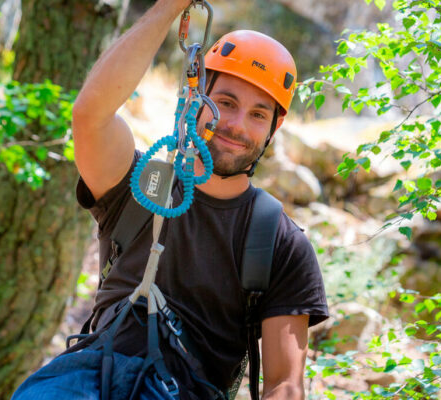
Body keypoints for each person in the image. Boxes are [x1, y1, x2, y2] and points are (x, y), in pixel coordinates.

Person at [17, 0, 328, 399]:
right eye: (227, 103)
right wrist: (169, 7)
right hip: (89, 378)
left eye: (257, 114)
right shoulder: (143, 184)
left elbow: (285, 383)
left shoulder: (281, 243)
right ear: (197, 97)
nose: (236, 125)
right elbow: (90, 114)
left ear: (275, 126)